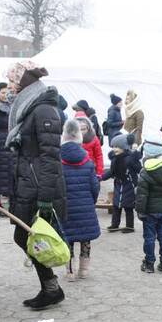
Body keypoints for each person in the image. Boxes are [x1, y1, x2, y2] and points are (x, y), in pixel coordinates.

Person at [5, 65, 66, 310]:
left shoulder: (43, 109)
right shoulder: (29, 106)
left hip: (39, 185)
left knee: (25, 235)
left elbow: (51, 157)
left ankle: (52, 288)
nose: (10, 86)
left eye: (12, 81)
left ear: (25, 82)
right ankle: (51, 287)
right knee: (25, 235)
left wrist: (46, 198)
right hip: (28, 182)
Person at [59, 118, 100, 281]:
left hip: (66, 208)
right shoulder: (87, 162)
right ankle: (83, 271)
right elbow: (94, 187)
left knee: (67, 240)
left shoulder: (58, 161)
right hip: (85, 207)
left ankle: (70, 272)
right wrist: (91, 201)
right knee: (85, 239)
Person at [136, 133, 162, 274]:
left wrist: (140, 211)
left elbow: (142, 195)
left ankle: (149, 264)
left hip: (149, 211)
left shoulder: (146, 171)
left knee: (149, 238)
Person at [103, 132, 140, 233]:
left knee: (128, 207)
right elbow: (111, 172)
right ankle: (115, 225)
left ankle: (129, 226)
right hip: (118, 184)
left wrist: (136, 156)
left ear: (124, 147)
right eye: (113, 147)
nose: (115, 149)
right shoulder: (115, 159)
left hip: (129, 185)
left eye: (117, 147)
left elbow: (138, 169)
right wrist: (102, 177)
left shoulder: (130, 159)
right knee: (116, 205)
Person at [74, 112, 104, 177]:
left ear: (88, 127)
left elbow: (99, 156)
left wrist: (99, 172)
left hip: (91, 170)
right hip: (76, 170)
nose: (81, 132)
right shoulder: (71, 139)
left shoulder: (94, 138)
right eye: (79, 129)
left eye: (83, 129)